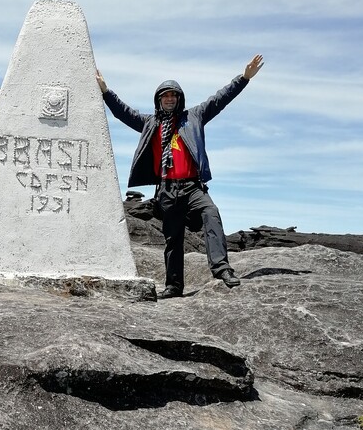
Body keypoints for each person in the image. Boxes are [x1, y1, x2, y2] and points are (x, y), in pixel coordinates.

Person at [96, 55, 264, 299]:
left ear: (179, 99)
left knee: (211, 213)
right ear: (159, 100)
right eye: (165, 96)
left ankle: (221, 268)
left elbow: (220, 99)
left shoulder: (193, 117)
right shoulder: (149, 123)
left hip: (193, 186)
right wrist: (105, 91)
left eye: (173, 95)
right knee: (173, 238)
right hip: (166, 190)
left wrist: (244, 78)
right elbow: (123, 113)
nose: (170, 99)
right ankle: (174, 287)